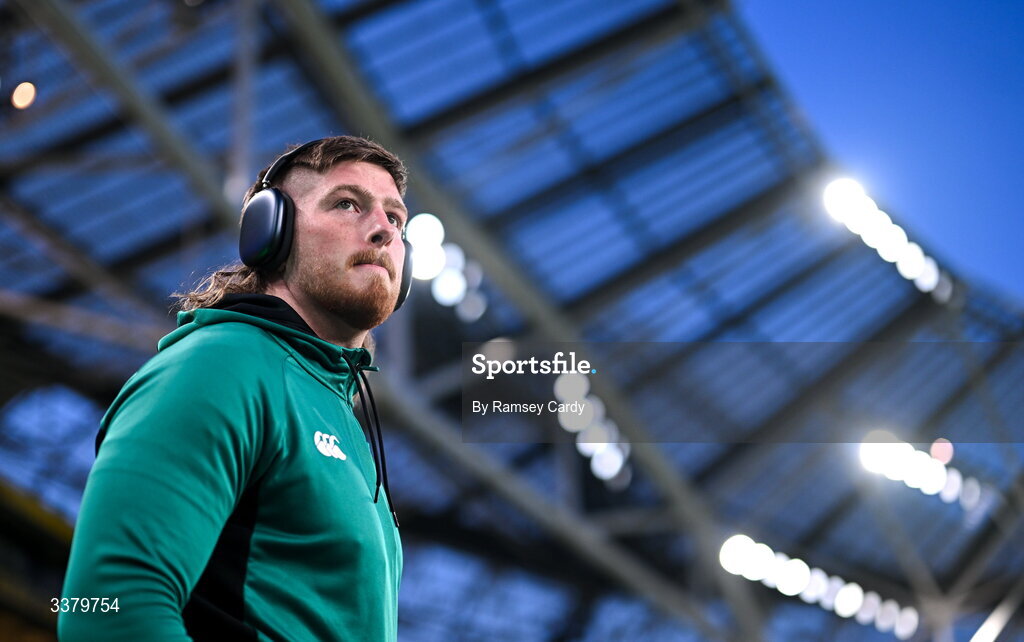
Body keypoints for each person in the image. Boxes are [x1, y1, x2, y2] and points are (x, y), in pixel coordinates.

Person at [58, 136, 410, 641]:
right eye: (347, 203)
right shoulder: (223, 363)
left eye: (396, 219)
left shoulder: (347, 422)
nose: (382, 230)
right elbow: (105, 609)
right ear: (272, 232)